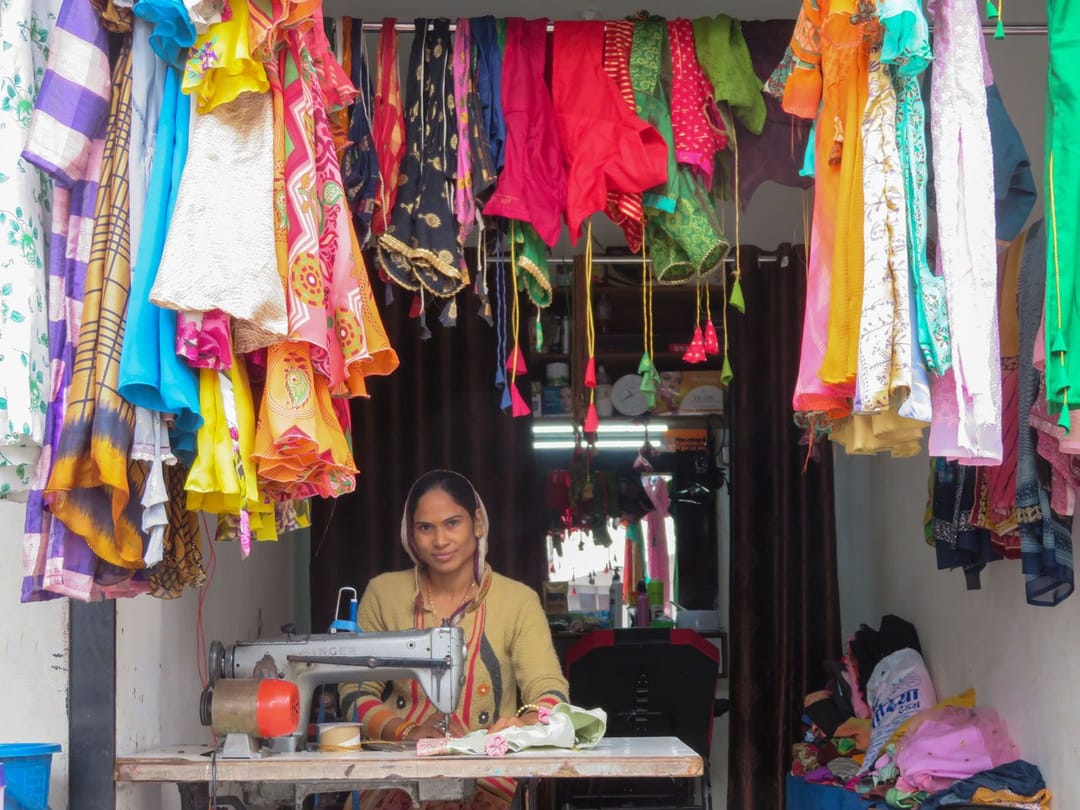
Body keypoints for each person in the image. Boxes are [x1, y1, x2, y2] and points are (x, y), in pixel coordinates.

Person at [339, 470, 569, 810]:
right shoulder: (383, 594)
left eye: (452, 523)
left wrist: (521, 725)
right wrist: (405, 731)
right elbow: (355, 691)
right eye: (425, 528)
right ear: (410, 533)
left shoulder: (517, 601)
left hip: (490, 778)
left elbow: (549, 690)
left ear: (477, 523)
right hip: (397, 773)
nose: (440, 541)